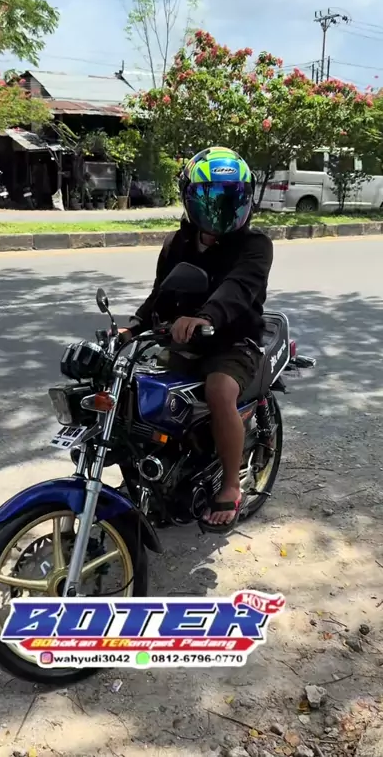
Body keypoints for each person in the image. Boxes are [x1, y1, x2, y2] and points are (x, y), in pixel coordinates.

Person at [121, 146, 273, 534]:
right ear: (191, 199)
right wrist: (132, 327)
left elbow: (238, 289)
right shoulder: (177, 244)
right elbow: (160, 295)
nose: (221, 208)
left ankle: (230, 485)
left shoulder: (255, 245)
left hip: (234, 342)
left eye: (231, 198)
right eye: (211, 199)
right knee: (139, 394)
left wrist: (205, 317)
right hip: (185, 340)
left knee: (219, 390)